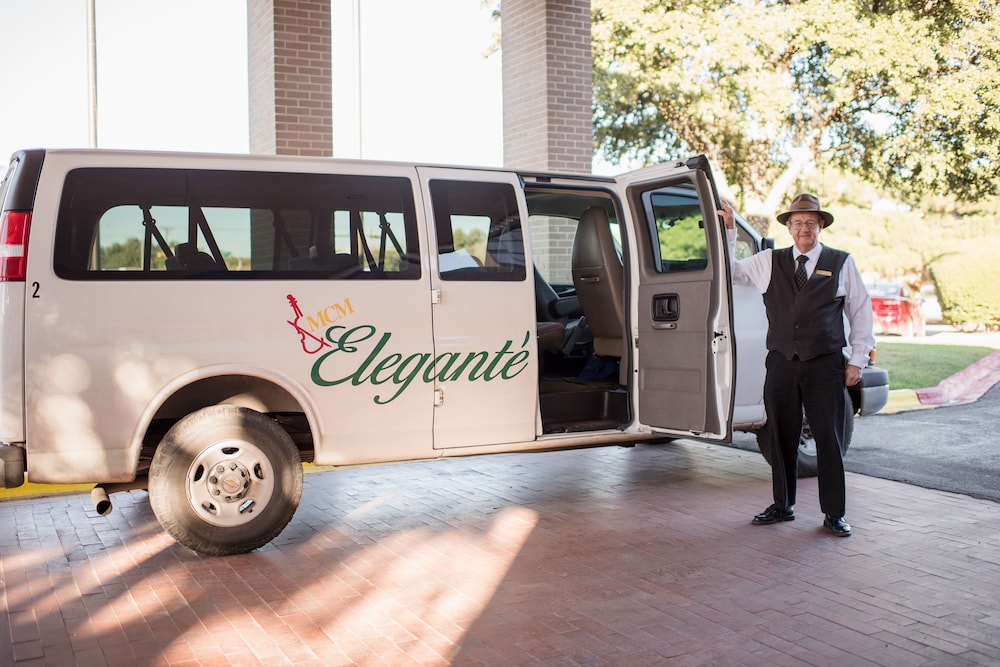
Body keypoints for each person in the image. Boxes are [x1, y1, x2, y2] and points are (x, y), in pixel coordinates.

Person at [719, 193, 874, 537]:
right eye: (798, 222)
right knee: (780, 437)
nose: (805, 229)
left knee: (829, 440)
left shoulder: (841, 262)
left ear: (821, 226)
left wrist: (858, 361)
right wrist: (730, 230)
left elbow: (861, 313)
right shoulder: (768, 261)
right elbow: (730, 272)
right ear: (789, 227)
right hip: (782, 363)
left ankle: (834, 513)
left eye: (811, 223)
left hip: (825, 364)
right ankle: (782, 505)